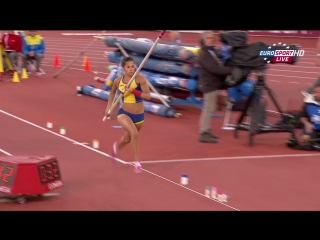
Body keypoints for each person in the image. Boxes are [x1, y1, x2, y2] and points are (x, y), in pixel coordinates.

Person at [105, 56, 151, 173]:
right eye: (128, 67)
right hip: (124, 113)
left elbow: (148, 96)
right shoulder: (118, 81)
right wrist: (109, 108)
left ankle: (116, 148)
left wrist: (133, 91)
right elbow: (112, 93)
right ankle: (136, 163)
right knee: (134, 133)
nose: (131, 69)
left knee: (127, 139)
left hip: (139, 116)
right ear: (123, 68)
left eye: (132, 66)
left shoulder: (140, 79)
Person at [196, 31, 232, 143]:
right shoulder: (204, 54)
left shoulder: (212, 51)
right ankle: (203, 133)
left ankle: (207, 131)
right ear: (203, 40)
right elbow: (214, 68)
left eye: (212, 37)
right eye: (208, 38)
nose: (211, 39)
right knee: (208, 110)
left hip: (212, 85)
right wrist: (231, 71)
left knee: (209, 109)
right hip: (209, 85)